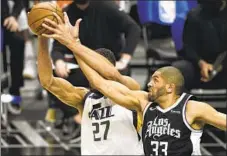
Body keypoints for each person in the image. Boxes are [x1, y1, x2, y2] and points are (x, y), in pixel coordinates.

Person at [41, 12, 227, 156]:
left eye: (155, 79)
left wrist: (74, 44)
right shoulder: (90, 98)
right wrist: (48, 38)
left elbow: (108, 76)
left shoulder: (135, 91)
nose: (149, 83)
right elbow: (54, 81)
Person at [36, 13, 143, 154]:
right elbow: (47, 81)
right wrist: (42, 38)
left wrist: (72, 43)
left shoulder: (129, 88)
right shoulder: (85, 98)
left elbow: (111, 75)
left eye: (96, 68)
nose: (91, 73)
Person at [173, 0, 227, 90]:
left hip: (223, 68)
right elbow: (188, 48)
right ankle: (185, 103)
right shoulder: (194, 16)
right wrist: (201, 63)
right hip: (198, 69)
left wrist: (219, 66)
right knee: (180, 69)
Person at [2, 0, 25, 114]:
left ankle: (15, 93)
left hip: (8, 21)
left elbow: (20, 2)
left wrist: (13, 17)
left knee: (18, 43)